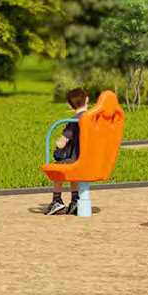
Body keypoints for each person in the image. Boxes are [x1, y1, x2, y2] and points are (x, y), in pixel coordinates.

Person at [41, 86, 91, 214]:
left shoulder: (73, 121)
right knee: (73, 170)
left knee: (58, 170)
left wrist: (57, 142)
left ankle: (56, 200)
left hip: (76, 160)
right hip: (92, 160)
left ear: (70, 106)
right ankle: (75, 200)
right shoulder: (95, 119)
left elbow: (62, 144)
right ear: (87, 100)